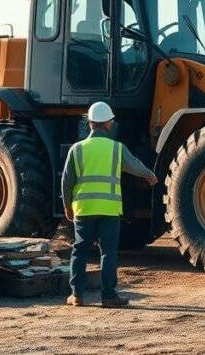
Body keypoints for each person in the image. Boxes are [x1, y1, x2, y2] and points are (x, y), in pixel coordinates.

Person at [62, 101, 158, 308]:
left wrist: (68, 206)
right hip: (109, 210)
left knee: (80, 251)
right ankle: (109, 296)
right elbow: (134, 166)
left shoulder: (76, 150)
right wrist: (150, 175)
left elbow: (67, 181)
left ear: (89, 123)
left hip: (84, 210)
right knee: (108, 253)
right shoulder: (117, 148)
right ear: (109, 124)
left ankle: (77, 295)